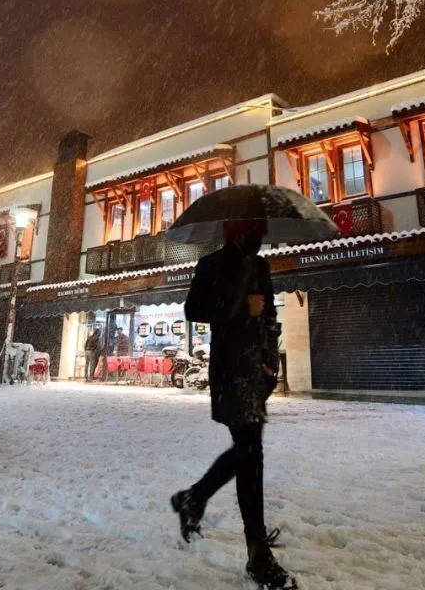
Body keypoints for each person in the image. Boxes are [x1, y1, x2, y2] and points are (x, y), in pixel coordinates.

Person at [173, 227, 295, 589]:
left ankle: (193, 499)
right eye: (253, 224)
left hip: (256, 370)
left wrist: (272, 361)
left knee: (248, 450)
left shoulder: (261, 266)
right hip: (229, 370)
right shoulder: (211, 265)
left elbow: (270, 316)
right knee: (250, 451)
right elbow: (193, 308)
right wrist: (240, 308)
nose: (261, 232)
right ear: (236, 229)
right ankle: (257, 552)